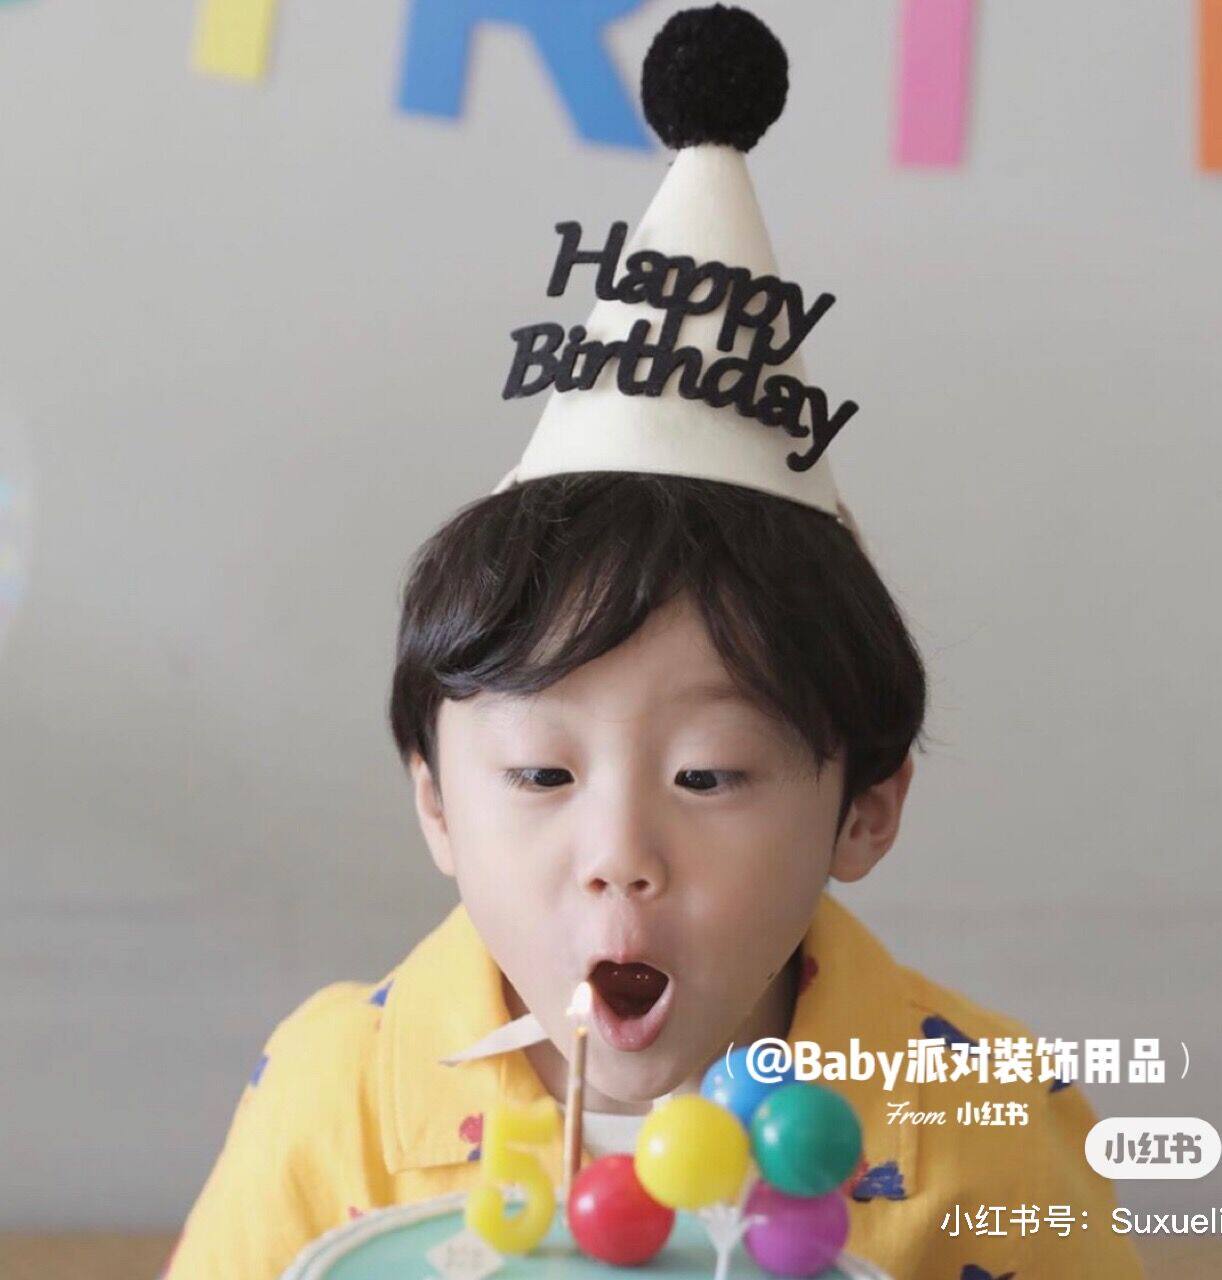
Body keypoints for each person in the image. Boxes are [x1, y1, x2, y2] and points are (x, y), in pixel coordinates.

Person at [167, 9, 1143, 1278]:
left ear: (863, 809)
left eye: (708, 773)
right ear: (436, 803)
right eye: (540, 772)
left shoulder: (983, 1120)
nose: (620, 856)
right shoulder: (332, 1102)